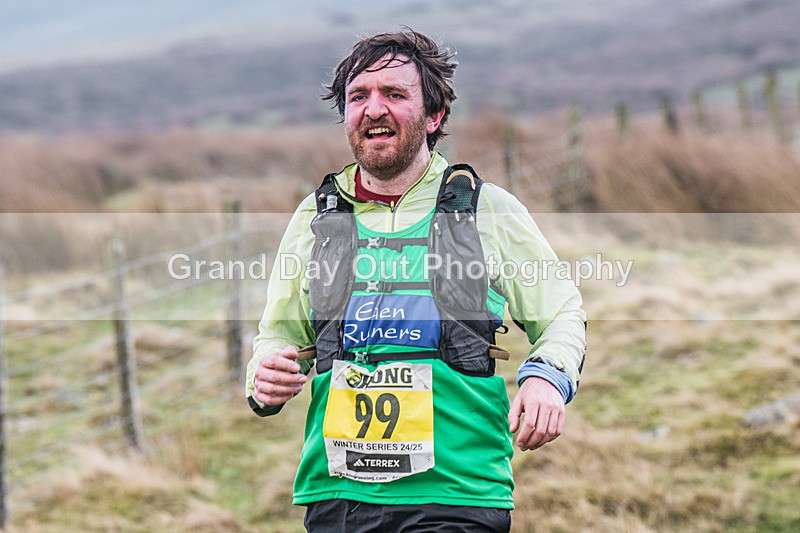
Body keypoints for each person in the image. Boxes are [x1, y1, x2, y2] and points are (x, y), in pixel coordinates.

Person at [246, 29, 586, 532]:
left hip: (457, 492)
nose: (373, 108)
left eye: (394, 94)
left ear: (434, 116)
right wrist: (266, 373)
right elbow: (279, 335)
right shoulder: (316, 216)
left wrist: (546, 378)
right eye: (358, 96)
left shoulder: (485, 209)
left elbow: (561, 315)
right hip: (337, 494)